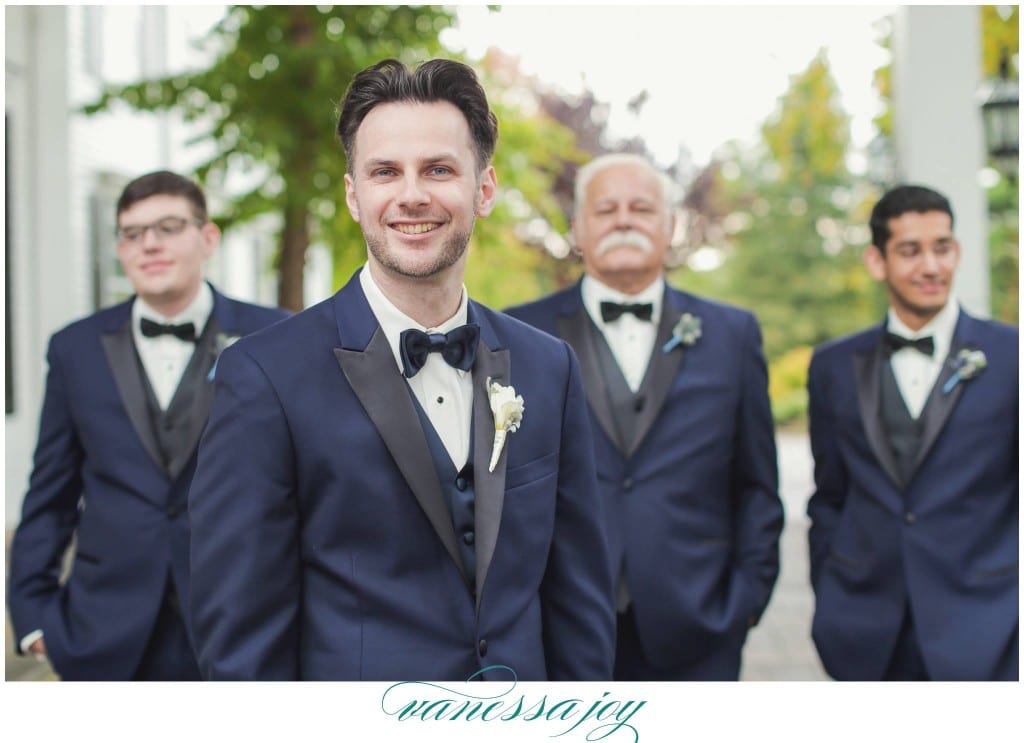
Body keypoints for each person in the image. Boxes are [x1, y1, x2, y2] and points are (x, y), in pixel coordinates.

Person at [187, 58, 615, 681]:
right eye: (385, 172)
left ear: (484, 189)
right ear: (354, 196)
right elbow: (241, 639)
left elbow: (580, 597)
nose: (412, 194)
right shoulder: (263, 376)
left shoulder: (550, 367)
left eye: (439, 170)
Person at [506, 153, 783, 680]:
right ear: (579, 228)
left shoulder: (733, 334)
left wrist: (745, 599)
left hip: (700, 626)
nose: (624, 220)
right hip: (559, 623)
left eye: (641, 207)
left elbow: (757, 486)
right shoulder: (518, 335)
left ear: (670, 225)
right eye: (606, 209)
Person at [6, 171, 288, 680]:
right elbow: (49, 494)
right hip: (103, 634)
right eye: (132, 233)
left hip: (244, 626)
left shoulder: (276, 335)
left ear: (208, 238)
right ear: (119, 248)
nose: (149, 245)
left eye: (168, 226)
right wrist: (31, 615)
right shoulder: (75, 349)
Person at [806, 184, 1018, 681]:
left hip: (991, 626)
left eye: (941, 248)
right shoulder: (833, 365)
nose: (931, 266)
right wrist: (832, 585)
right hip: (867, 632)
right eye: (910, 250)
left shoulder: (1013, 357)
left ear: (957, 252)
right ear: (877, 262)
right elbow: (830, 494)